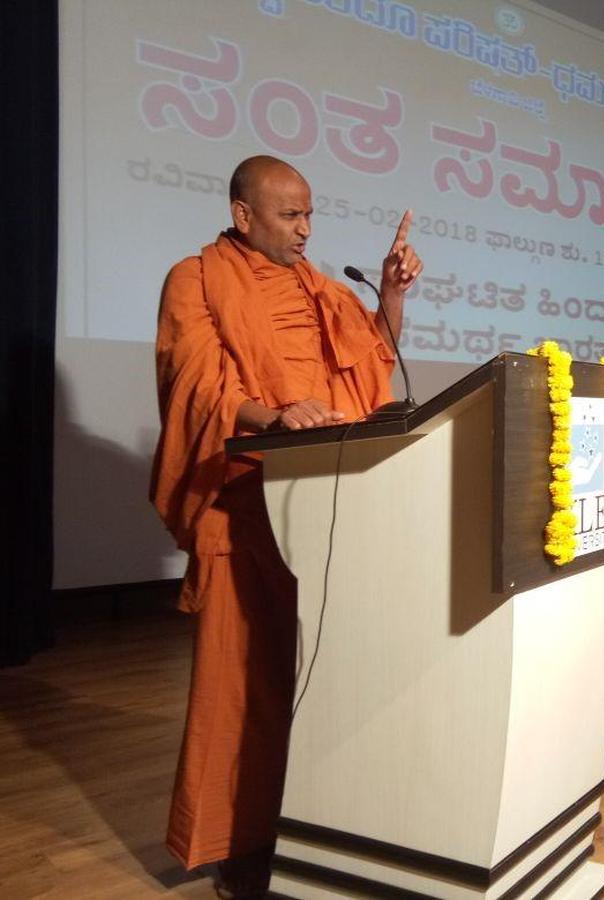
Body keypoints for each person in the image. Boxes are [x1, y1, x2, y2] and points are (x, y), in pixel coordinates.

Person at [149, 155, 423, 896]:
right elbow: (196, 383)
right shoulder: (197, 279)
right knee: (243, 679)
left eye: (310, 215)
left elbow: (370, 363)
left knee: (326, 673)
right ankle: (238, 841)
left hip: (327, 500)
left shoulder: (321, 288)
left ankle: (323, 821)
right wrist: (273, 417)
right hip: (246, 500)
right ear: (243, 215)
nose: (305, 230)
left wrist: (393, 295)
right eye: (290, 215)